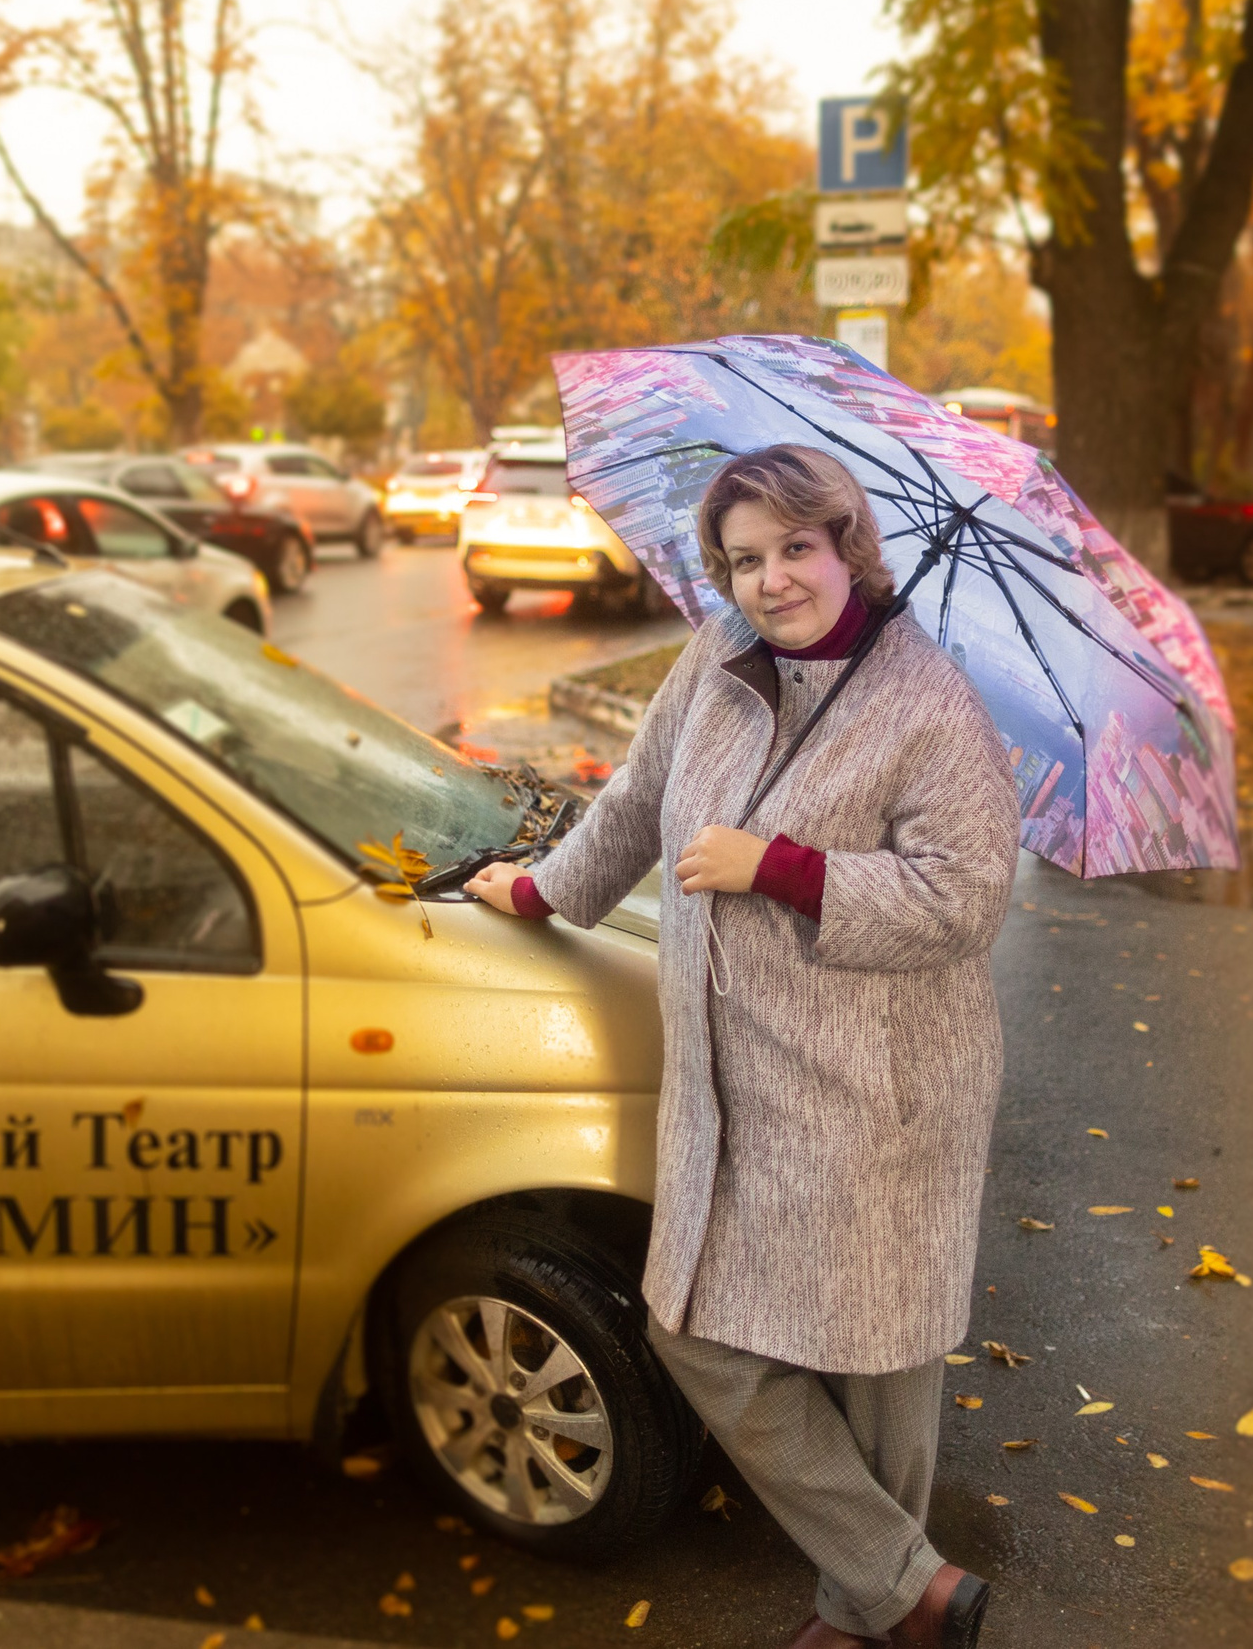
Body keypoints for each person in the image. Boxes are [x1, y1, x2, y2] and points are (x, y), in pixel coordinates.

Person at [469, 444, 1019, 1649]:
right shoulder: (713, 663)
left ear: (847, 546)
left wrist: (779, 868)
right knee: (694, 1323)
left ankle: (863, 1610)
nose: (770, 581)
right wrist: (544, 895)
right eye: (743, 559)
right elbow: (631, 800)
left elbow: (965, 898)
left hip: (883, 1083)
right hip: (742, 1077)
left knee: (879, 1353)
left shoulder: (927, 702)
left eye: (793, 550)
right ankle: (900, 1587)